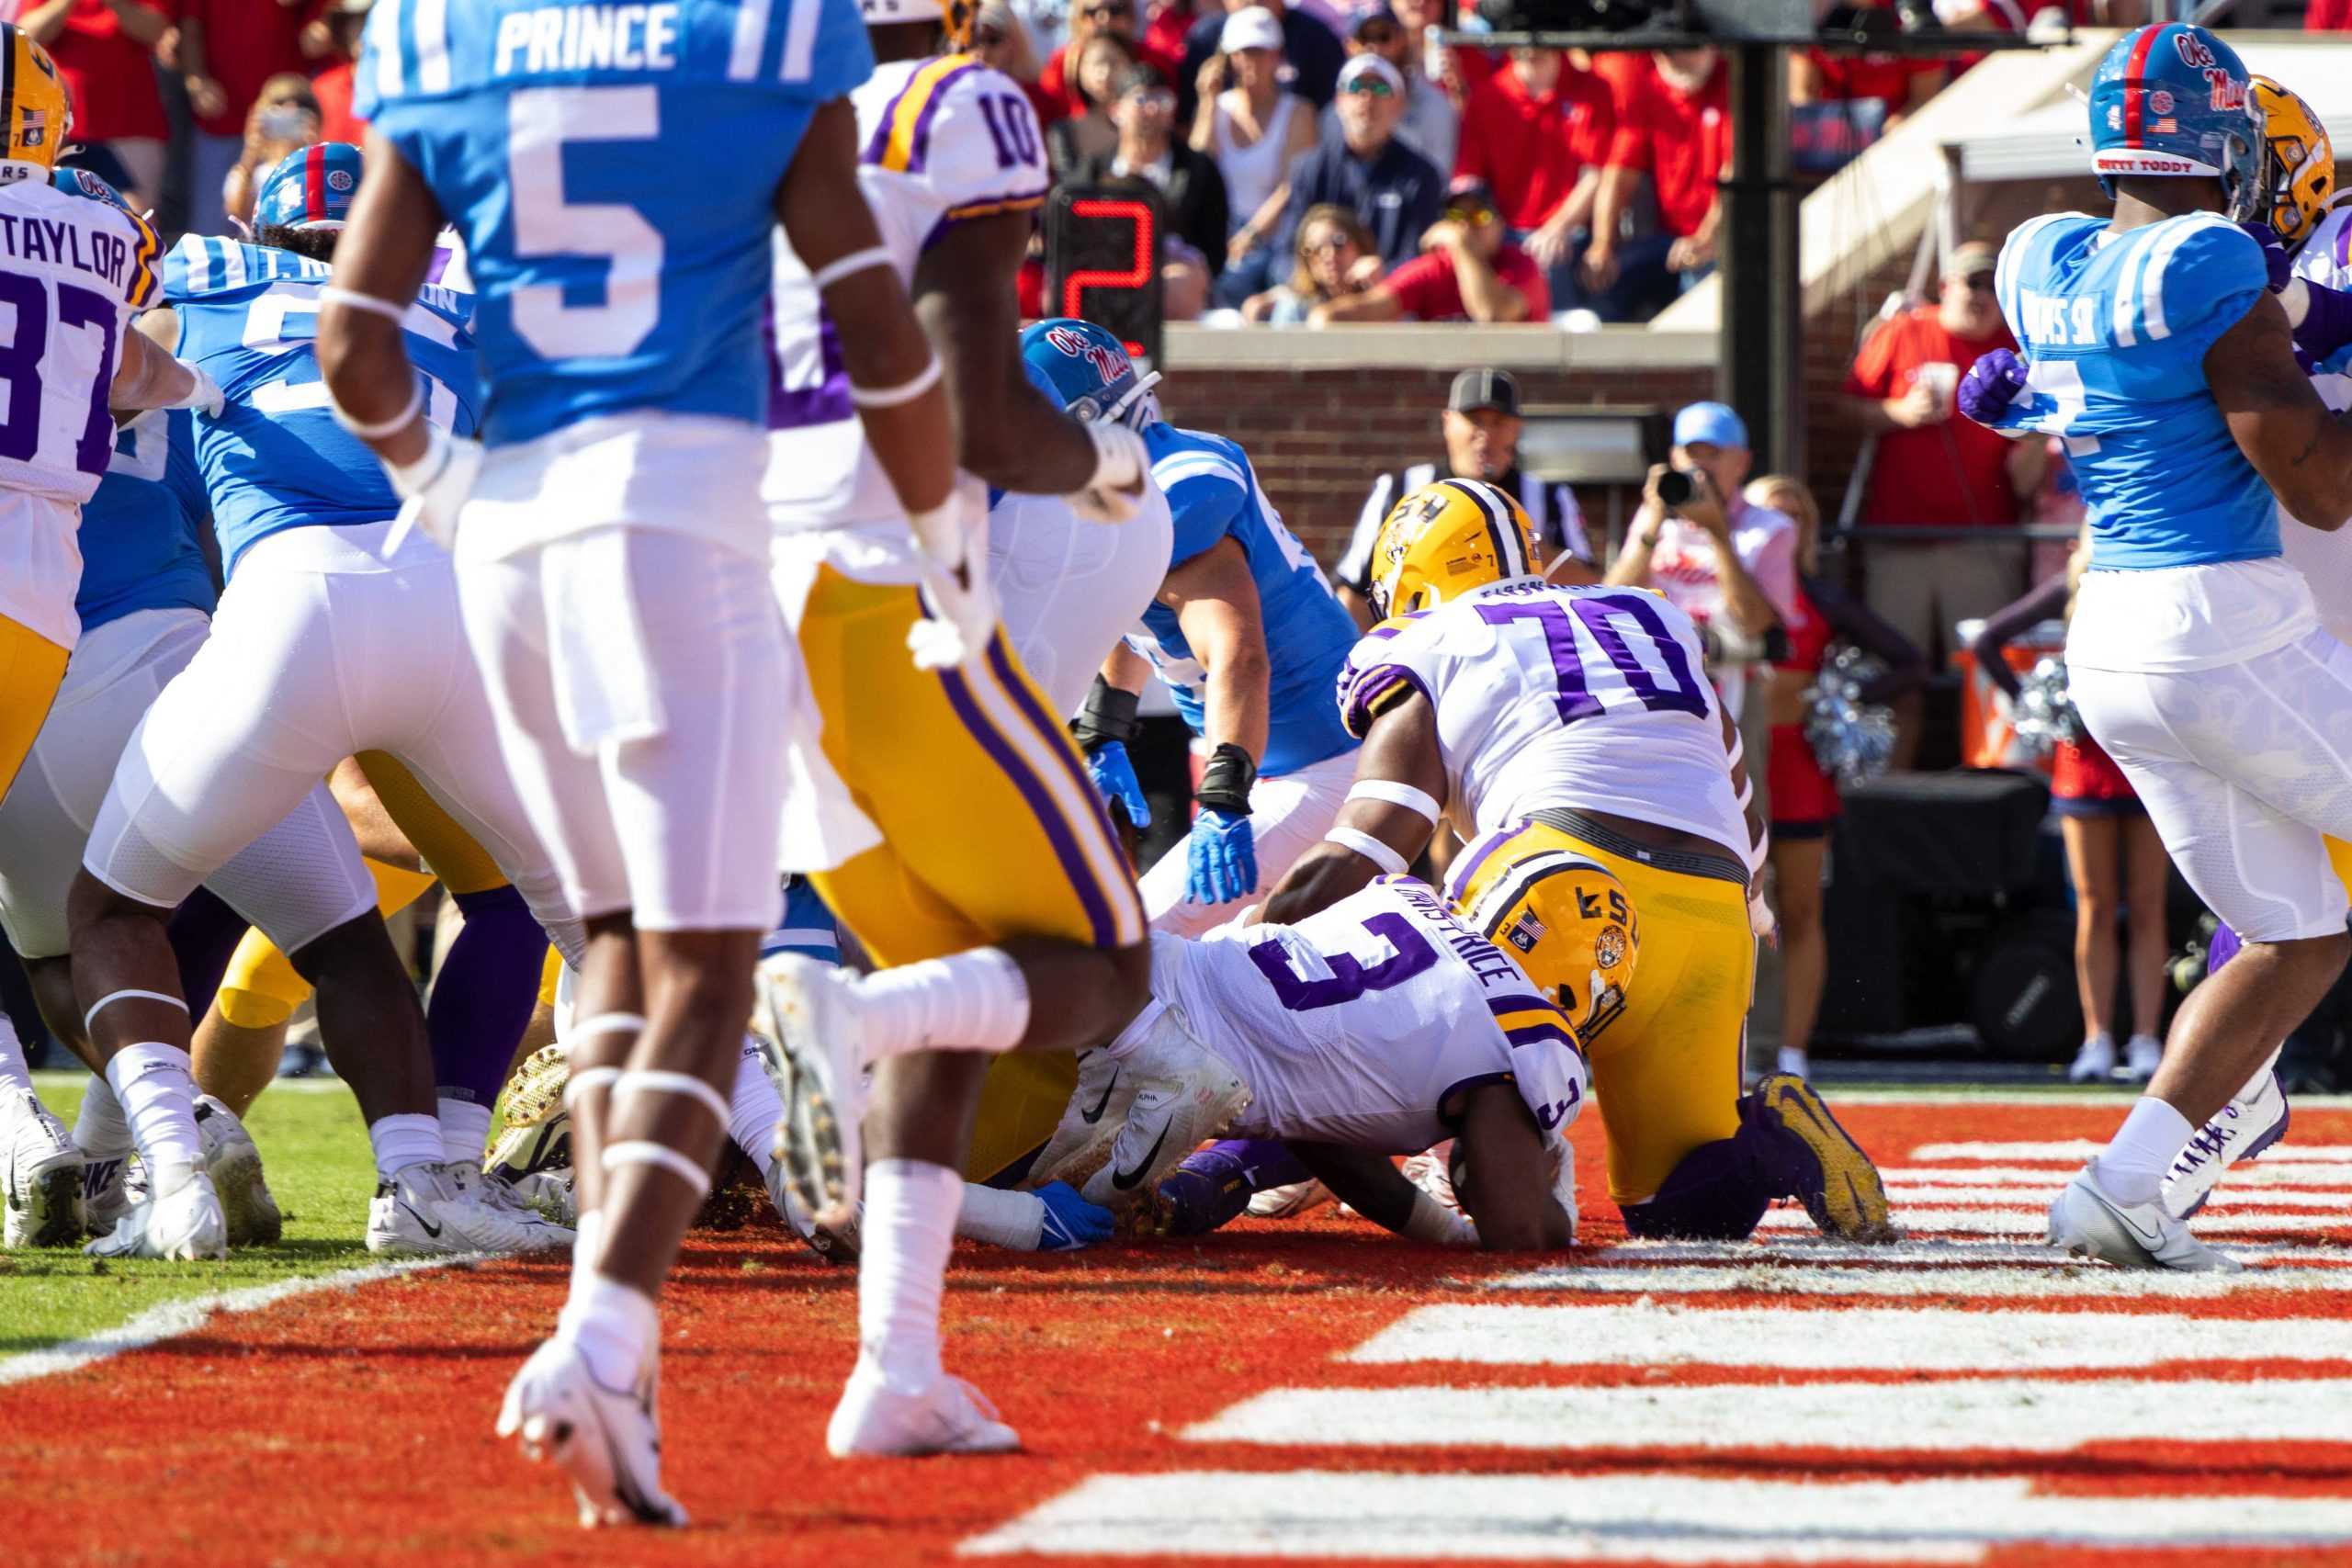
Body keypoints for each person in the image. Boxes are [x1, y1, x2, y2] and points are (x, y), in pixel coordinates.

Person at [320, 0, 962, 1520]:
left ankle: (625, 1370)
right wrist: (949, 548)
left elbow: (357, 342)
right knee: (702, 970)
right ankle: (598, 1340)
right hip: (672, 518)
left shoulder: (441, 33)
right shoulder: (760, 38)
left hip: (510, 536)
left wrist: (450, 484)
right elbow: (879, 326)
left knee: (612, 951)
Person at [754, 1, 1162, 1463]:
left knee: (955, 980)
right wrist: (1107, 456)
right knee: (1108, 963)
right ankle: (831, 1020)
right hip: (879, 587)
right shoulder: (949, 106)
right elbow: (976, 412)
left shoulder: (718, 102)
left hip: (729, 592)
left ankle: (896, 1367)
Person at [66, 144, 582, 1265]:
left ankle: (167, 1161)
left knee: (129, 904)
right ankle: (437, 1169)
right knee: (539, 915)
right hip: (446, 620)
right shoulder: (457, 319)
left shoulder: (198, 292)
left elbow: (95, 372)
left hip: (249, 626)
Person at [1960, 23, 2352, 1272]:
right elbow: (2319, 488)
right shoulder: (2214, 258)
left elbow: (2090, 371)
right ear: (2213, 143)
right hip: (2220, 619)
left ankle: (2122, 1187)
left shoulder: (2041, 254)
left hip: (2112, 637)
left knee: (2304, 930)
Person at [1258, 478, 1895, 1243]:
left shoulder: (1421, 638)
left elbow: (1371, 839)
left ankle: (1244, 1164)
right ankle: (1767, 1135)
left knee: (1439, 1076)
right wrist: (1751, 905)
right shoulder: (1647, 611)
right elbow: (1732, 773)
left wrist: (1251, 952)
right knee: (1684, 1208)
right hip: (1713, 904)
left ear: (1416, 584)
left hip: (1560, 876)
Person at [1024, 318, 1363, 940]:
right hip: (1276, 756)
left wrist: (1225, 799)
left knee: (1130, 953)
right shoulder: (1133, 485)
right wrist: (1106, 725)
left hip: (1313, 762)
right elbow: (1135, 604)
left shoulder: (1174, 491)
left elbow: (1238, 652)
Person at [1084, 875, 1588, 1248]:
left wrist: (1442, 1231)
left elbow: (1320, 1124)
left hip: (1128, 970)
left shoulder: (1406, 894)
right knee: (1042, 1211)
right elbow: (1517, 1232)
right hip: (1126, 1061)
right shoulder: (1522, 1029)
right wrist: (1560, 1209)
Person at [1742, 473, 1927, 1083]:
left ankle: (1792, 1050)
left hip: (1797, 767)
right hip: (1731, 759)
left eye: (1794, 518)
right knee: (1730, 908)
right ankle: (1736, 1042)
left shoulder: (1821, 598)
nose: (1782, 529)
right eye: (1771, 515)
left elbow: (1908, 660)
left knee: (1798, 907)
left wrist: (1842, 696)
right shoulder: (1724, 594)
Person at [1970, 545, 2167, 1088]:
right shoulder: (2071, 581)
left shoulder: (2160, 572)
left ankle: (2147, 1040)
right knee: (2094, 904)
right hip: (2084, 761)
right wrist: (2037, 705)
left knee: (2148, 904)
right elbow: (1987, 639)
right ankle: (2097, 1038)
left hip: (2148, 756)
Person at [1844, 241, 2041, 665]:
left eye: (1993, 285)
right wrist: (1898, 412)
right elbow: (1847, 408)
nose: (1983, 295)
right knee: (1896, 672)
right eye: (1973, 282)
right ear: (1945, 286)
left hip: (1983, 542)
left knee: (1985, 674)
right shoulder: (1904, 331)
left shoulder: (2017, 347)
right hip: (1899, 542)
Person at [1336, 368, 1590, 627]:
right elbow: (1353, 593)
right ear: (1448, 422)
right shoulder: (1398, 490)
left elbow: (1589, 587)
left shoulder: (1548, 496)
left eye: (1498, 422)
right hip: (1421, 651)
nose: (1486, 435)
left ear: (1517, 428)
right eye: (1475, 420)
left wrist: (1519, 546)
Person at [1606, 401, 1799, 725]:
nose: (1702, 468)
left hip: (1732, 692)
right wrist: (1653, 523)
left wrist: (1718, 533)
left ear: (1742, 462)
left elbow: (1757, 624)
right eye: (1693, 454)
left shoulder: (1770, 528)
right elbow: (1610, 601)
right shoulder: (1654, 517)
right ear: (1674, 458)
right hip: (1657, 683)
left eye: (1714, 454)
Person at [1220, 50, 1440, 308]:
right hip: (1314, 298)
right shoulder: (1309, 169)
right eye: (1355, 87)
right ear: (1338, 101)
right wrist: (1316, 274)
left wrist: (1384, 273)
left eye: (1380, 89)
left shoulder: (1421, 175)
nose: (1366, 98)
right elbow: (1285, 254)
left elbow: (1420, 260)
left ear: (1400, 104)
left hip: (1387, 302)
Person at [1452, 46, 1611, 312]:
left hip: (1572, 231)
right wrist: (1473, 228)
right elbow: (1468, 179)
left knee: (1551, 258)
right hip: (1502, 231)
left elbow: (1597, 172)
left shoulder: (1591, 88)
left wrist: (1558, 227)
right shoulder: (1489, 94)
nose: (1531, 47)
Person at [1583, 49, 1731, 323]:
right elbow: (1620, 171)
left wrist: (1706, 239)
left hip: (1722, 240)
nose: (1683, 58)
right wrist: (1602, 243)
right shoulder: (1651, 87)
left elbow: (1733, 177)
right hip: (1667, 236)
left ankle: (1693, 364)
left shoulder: (1731, 84)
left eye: (1691, 49)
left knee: (1698, 283)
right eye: (1670, 52)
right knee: (1608, 280)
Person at [1308, 176, 1547, 325]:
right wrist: (1327, 317)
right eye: (1455, 216)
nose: (1464, 226)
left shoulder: (1521, 266)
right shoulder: (1435, 269)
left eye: (1479, 216)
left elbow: (1492, 315)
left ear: (1500, 223)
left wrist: (1460, 243)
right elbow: (1371, 307)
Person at [173, 0, 320, 239]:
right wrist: (196, 79)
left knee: (299, 225)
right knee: (210, 233)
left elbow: (316, 32)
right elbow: (191, 26)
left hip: (284, 120)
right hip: (220, 117)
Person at [10, 0, 171, 209]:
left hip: (131, 128)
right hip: (57, 134)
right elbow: (25, 37)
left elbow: (158, 31)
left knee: (136, 215)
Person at [1192, 5, 1315, 276]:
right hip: (1220, 238)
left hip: (1275, 243)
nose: (1252, 61)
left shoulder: (1298, 113)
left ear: (1276, 55)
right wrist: (1207, 102)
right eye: (1243, 52)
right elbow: (1199, 169)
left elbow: (1290, 187)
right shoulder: (1216, 108)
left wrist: (1251, 236)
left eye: (1261, 51)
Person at [1072, 67, 1230, 276]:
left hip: (1177, 285)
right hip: (1108, 279)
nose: (1153, 108)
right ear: (1116, 111)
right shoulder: (1093, 171)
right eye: (1142, 100)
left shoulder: (1198, 170)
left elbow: (1213, 251)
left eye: (1162, 100)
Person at [1317, 6, 1454, 176]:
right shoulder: (1335, 111)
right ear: (1350, 46)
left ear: (1403, 40)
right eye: (1365, 38)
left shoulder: (1434, 105)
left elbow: (1438, 179)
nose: (1374, 48)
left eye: (1384, 37)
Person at [1179, 0, 1341, 120]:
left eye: (1258, 52)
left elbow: (1330, 116)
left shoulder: (1317, 39)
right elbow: (1185, 122)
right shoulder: (1204, 40)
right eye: (1243, 52)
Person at [1240, 201, 1378, 323]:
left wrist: (1377, 289)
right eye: (1315, 249)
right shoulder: (1296, 308)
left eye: (1338, 242)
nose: (1329, 255)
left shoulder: (1385, 296)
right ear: (1307, 262)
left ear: (1361, 245)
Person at [1046, 28, 1139, 175]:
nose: (1105, 72)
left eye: (1114, 63)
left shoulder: (1149, 121)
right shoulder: (1064, 131)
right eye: (1097, 63)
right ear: (1079, 71)